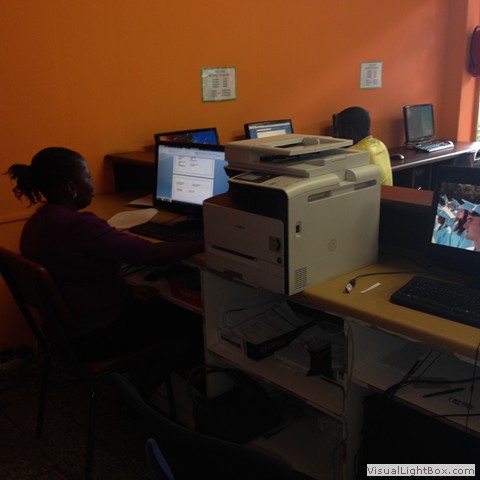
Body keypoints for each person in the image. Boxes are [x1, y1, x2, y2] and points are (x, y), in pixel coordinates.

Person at [7, 147, 205, 395]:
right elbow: (152, 255)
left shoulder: (37, 221)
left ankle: (145, 388)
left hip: (63, 334)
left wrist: (127, 291)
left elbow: (71, 278)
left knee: (163, 306)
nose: (91, 184)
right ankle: (143, 399)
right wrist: (207, 240)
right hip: (94, 337)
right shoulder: (79, 225)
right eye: (88, 177)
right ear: (71, 187)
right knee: (190, 321)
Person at [334, 106, 393, 186]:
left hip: (374, 194)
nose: (336, 135)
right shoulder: (380, 144)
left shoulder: (353, 153)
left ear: (349, 132)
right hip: (385, 193)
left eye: (338, 130)